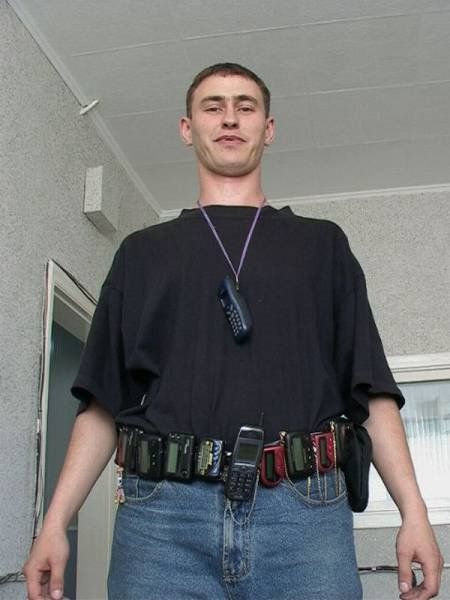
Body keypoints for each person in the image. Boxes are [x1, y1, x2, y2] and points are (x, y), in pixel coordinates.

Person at [24, 63, 443, 600]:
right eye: (213, 106)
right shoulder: (141, 254)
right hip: (162, 524)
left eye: (245, 106)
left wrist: (414, 511)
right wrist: (56, 522)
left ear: (268, 129)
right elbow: (102, 403)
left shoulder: (323, 247)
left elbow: (372, 391)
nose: (229, 118)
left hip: (303, 519)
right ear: (187, 128)